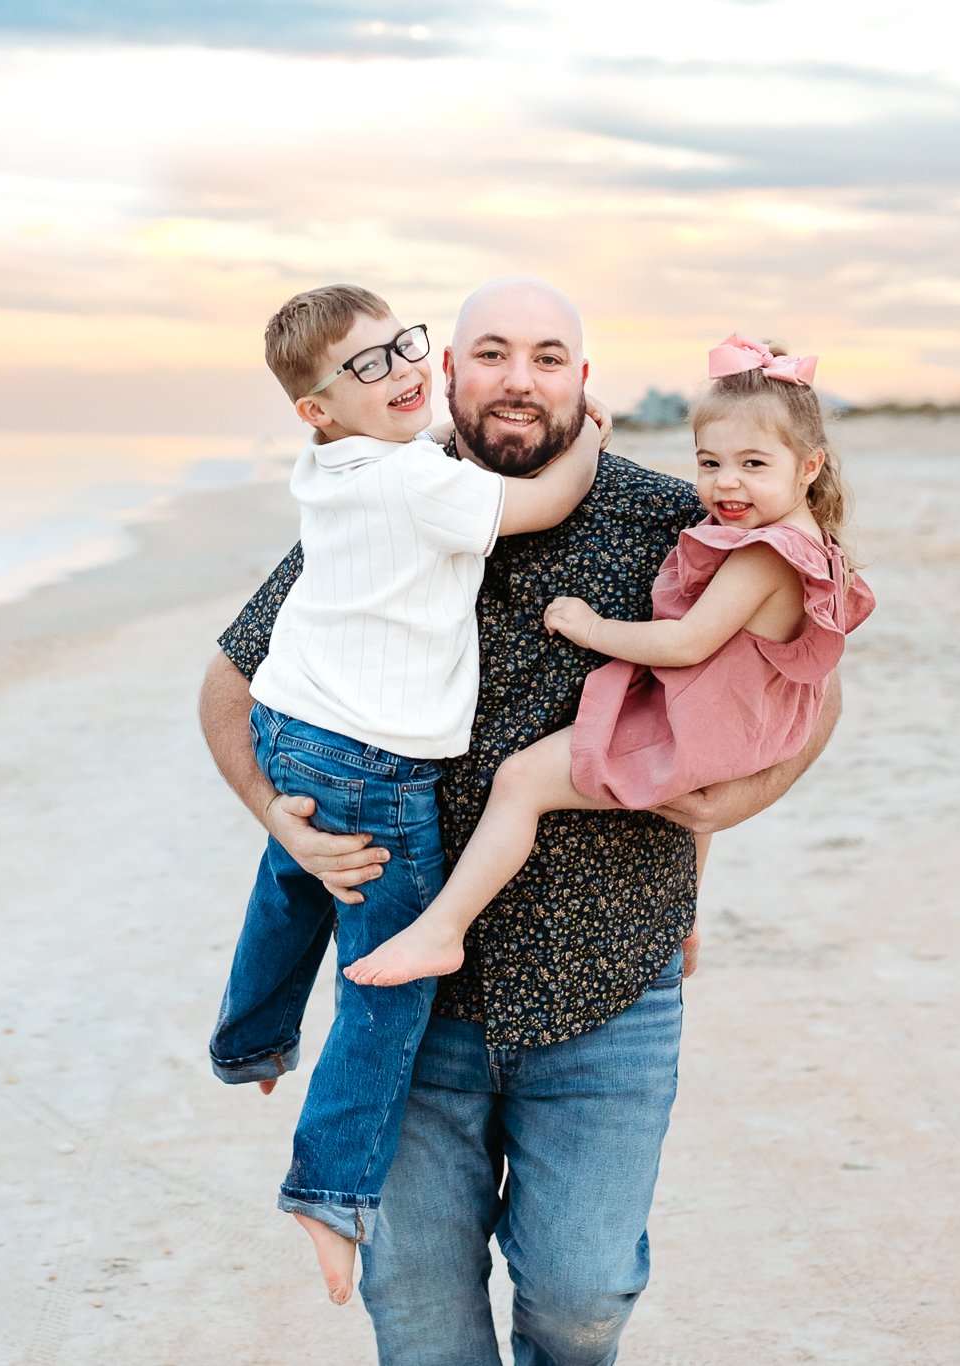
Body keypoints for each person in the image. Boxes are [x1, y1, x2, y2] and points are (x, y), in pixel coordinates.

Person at [200, 278, 842, 1363]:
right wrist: (283, 822)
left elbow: (803, 690)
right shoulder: (382, 505)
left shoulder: (668, 522)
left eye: (547, 356)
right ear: (446, 375)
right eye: (489, 352)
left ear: (580, 383)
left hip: (608, 980)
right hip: (412, 998)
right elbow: (228, 688)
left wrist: (719, 811)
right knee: (416, 1314)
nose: (517, 377)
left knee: (585, 1297)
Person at [207, 284, 603, 1305]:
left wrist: (404, 415)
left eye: (403, 347)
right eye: (369, 367)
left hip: (291, 730)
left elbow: (415, 438)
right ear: (317, 408)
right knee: (391, 980)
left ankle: (248, 1035)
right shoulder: (419, 487)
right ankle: (327, 1187)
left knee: (293, 882)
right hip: (375, 759)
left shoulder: (334, 466)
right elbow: (542, 504)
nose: (405, 373)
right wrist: (588, 440)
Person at [344, 331, 874, 988]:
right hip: (735, 723)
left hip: (708, 727)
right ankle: (684, 913)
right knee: (690, 794)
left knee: (522, 782)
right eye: (709, 463)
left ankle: (443, 931)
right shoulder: (803, 536)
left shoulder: (765, 554)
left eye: (753, 465)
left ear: (809, 466)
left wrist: (589, 626)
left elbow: (685, 644)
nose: (725, 483)